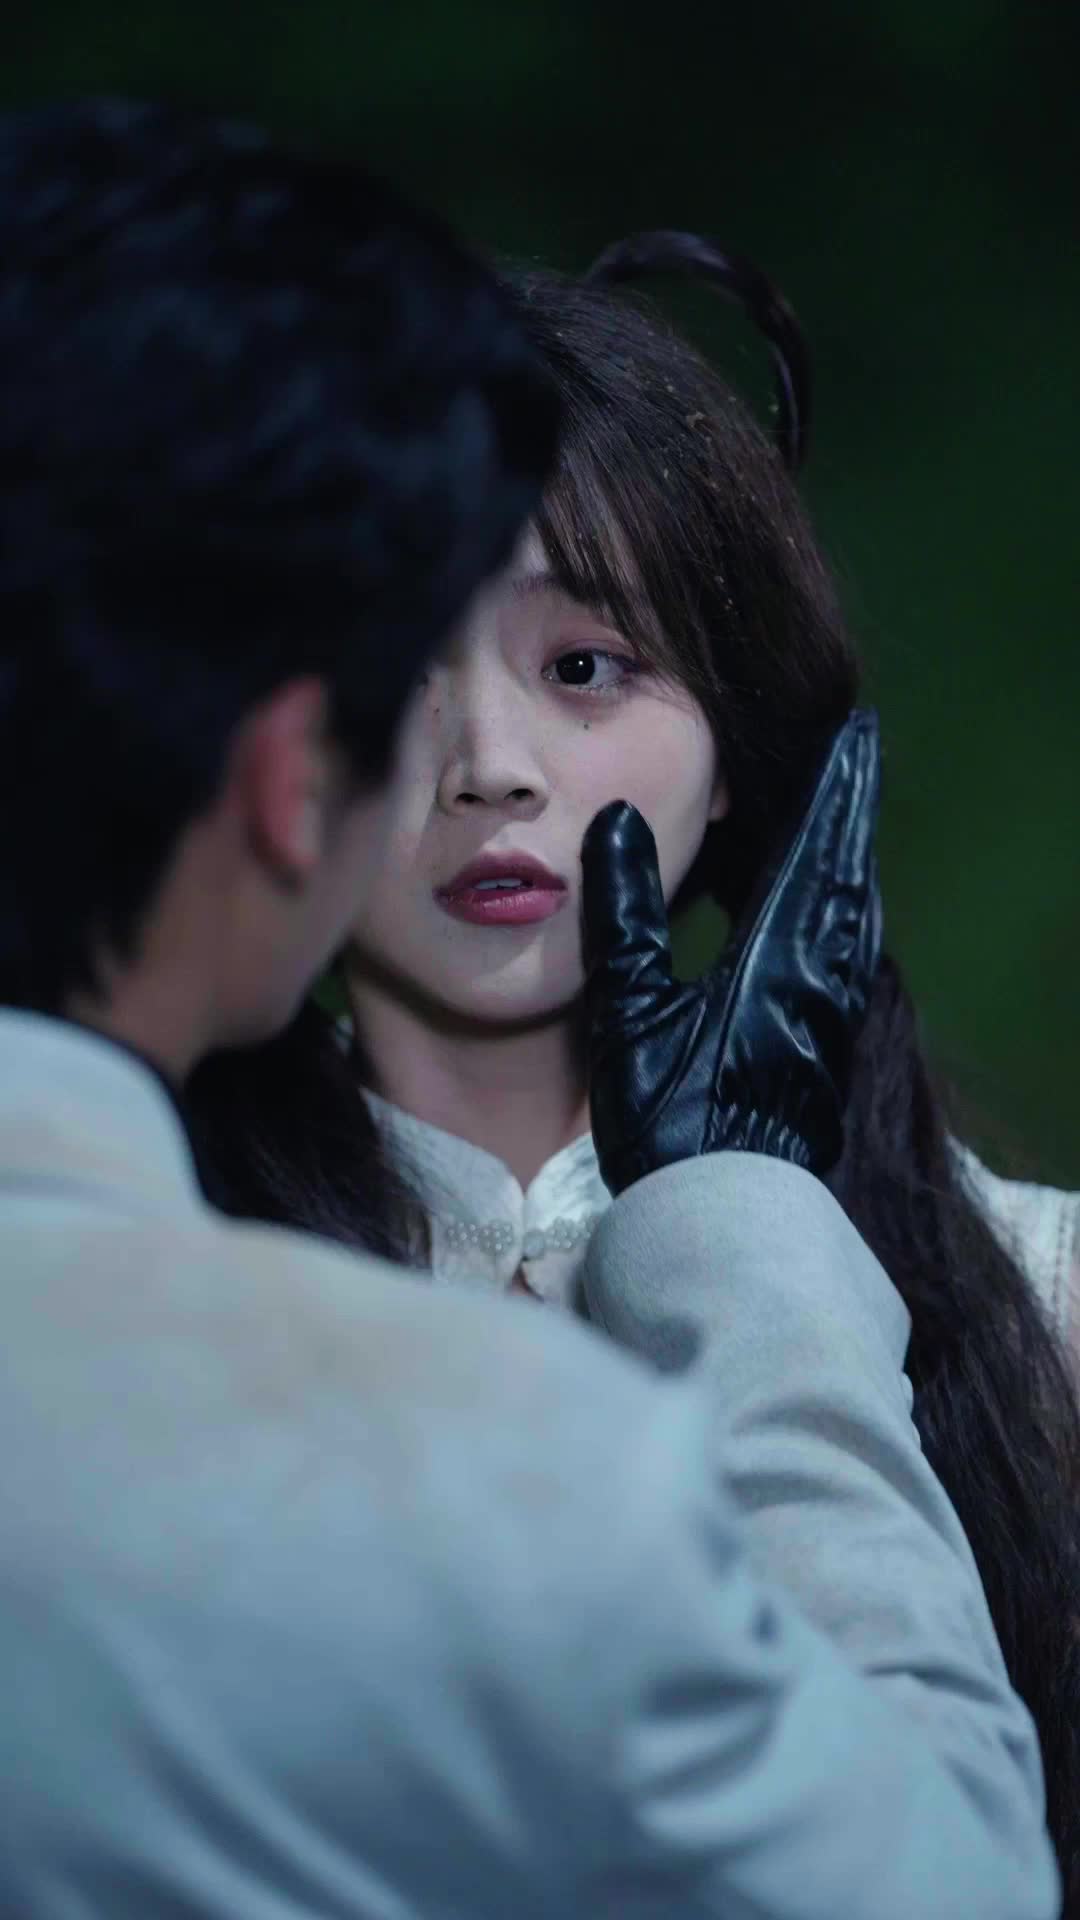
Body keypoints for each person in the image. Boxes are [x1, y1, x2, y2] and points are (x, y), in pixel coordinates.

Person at [0, 102, 1059, 1917]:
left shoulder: (1039, 1295)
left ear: (747, 734)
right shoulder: (214, 1316)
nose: (490, 765)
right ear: (284, 752)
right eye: (403, 675)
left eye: (586, 664)